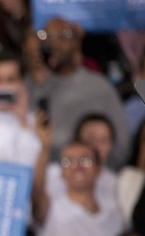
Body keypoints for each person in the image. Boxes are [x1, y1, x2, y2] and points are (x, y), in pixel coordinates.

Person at [26, 17, 129, 170]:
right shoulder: (30, 85)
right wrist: (39, 84)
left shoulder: (98, 86)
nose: (53, 43)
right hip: (44, 173)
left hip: (94, 175)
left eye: (62, 37)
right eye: (46, 37)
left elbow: (122, 145)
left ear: (76, 42)